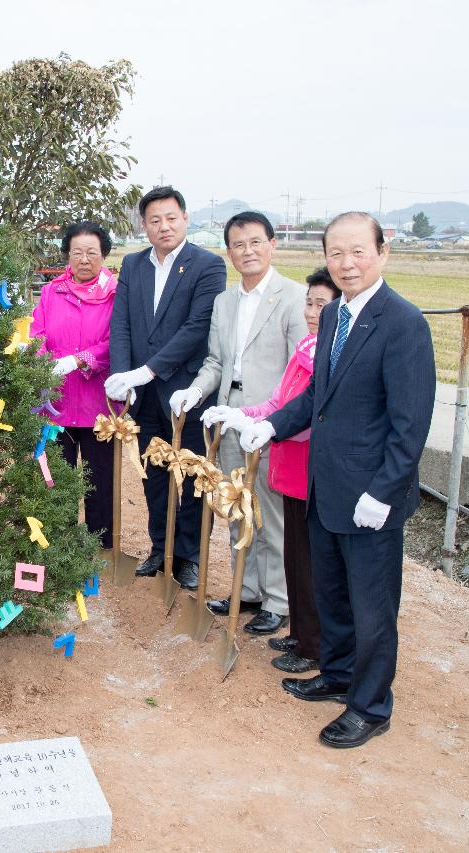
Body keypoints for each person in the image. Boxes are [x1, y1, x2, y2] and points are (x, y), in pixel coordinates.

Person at [240, 212, 436, 749]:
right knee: (333, 595)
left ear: (382, 252)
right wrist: (269, 427)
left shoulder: (403, 324)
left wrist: (384, 491)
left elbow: (410, 424)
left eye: (358, 252)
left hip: (370, 496)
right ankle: (340, 674)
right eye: (336, 253)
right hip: (325, 487)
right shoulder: (334, 317)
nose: (347, 263)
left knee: (373, 607)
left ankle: (371, 706)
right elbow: (314, 400)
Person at [169, 211, 306, 636]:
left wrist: (271, 417)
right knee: (234, 505)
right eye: (238, 245)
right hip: (228, 418)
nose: (247, 252)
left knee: (268, 513)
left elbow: (299, 369)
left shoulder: (292, 298)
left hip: (268, 421)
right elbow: (215, 361)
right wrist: (196, 392)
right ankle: (245, 589)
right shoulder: (225, 301)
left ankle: (278, 599)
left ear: (272, 244)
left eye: (255, 242)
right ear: (228, 252)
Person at [211, 268, 340, 672]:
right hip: (288, 465)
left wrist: (269, 426)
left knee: (308, 559)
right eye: (310, 303)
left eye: (324, 304)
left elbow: (306, 414)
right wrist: (241, 414)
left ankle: (314, 643)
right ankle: (301, 634)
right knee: (295, 554)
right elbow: (281, 403)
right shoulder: (306, 348)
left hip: (308, 467)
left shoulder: (333, 354)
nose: (314, 311)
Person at [105, 186, 226, 591]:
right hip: (143, 398)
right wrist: (124, 378)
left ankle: (189, 556)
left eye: (171, 218)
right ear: (144, 225)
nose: (164, 227)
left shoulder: (207, 266)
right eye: (154, 220)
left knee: (190, 475)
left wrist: (149, 371)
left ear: (185, 219)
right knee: (153, 475)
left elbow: (196, 328)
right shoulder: (134, 264)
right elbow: (120, 323)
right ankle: (161, 547)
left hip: (186, 391)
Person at [30, 221, 117, 550]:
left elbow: (116, 342)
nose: (84, 259)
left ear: (103, 255)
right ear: (67, 254)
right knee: (57, 474)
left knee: (99, 478)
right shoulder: (53, 291)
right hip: (56, 401)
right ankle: (61, 541)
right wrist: (41, 360)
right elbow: (37, 331)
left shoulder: (114, 294)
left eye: (91, 252)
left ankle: (100, 543)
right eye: (77, 252)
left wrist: (79, 359)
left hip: (99, 404)